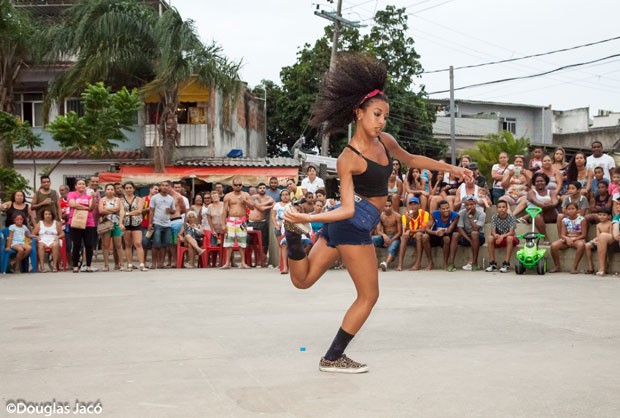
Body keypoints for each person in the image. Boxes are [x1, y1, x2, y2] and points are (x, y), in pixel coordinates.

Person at [282, 53, 471, 373]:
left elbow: (412, 159)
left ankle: (292, 235)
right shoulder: (348, 158)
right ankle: (333, 357)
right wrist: (307, 217)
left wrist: (451, 167)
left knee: (303, 281)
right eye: (376, 114)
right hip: (352, 227)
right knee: (369, 296)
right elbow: (346, 208)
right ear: (359, 113)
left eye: (385, 115)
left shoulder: (385, 141)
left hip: (343, 227)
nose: (382, 121)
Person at [221, 177, 255, 269]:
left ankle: (243, 263)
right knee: (228, 242)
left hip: (242, 220)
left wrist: (245, 201)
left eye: (239, 185)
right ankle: (227, 263)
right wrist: (223, 224)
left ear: (242, 185)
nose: (238, 187)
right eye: (236, 185)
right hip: (231, 220)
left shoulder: (246, 195)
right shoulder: (228, 196)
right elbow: (224, 211)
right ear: (232, 186)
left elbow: (252, 207)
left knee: (242, 241)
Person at [550, 202, 587, 273]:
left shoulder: (582, 219)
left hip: (578, 238)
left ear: (578, 210)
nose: (571, 210)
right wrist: (567, 239)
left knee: (581, 245)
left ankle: (574, 267)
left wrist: (574, 239)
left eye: (573, 209)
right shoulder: (564, 220)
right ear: (566, 211)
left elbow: (584, 234)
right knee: (553, 246)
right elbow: (562, 234)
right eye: (569, 209)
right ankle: (557, 266)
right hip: (567, 238)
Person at [68, 179, 96, 273]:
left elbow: (92, 208)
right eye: (79, 184)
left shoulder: (89, 196)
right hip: (75, 221)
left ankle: (88, 265)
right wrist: (85, 208)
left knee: (89, 244)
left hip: (89, 222)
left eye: (83, 184)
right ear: (76, 186)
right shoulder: (72, 194)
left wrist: (93, 198)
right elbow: (72, 204)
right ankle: (75, 266)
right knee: (77, 244)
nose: (81, 185)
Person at [424, 199, 460, 272]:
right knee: (425, 237)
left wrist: (442, 230)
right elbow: (427, 229)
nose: (446, 210)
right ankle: (430, 262)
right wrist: (436, 233)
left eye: (447, 208)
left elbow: (449, 230)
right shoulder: (434, 214)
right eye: (443, 209)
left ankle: (445, 262)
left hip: (446, 235)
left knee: (446, 239)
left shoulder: (455, 216)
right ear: (439, 209)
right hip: (436, 234)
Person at [396, 196, 430, 271]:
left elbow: (424, 229)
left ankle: (418, 263)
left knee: (419, 234)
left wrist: (411, 231)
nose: (413, 206)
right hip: (411, 237)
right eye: (411, 204)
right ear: (408, 206)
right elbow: (406, 231)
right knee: (404, 237)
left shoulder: (425, 214)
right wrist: (408, 223)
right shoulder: (405, 216)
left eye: (415, 204)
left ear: (419, 205)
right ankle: (400, 264)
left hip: (420, 237)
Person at [524, 172, 559, 244]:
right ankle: (545, 238)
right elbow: (536, 202)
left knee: (546, 207)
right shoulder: (531, 192)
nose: (540, 183)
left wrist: (549, 204)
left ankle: (525, 217)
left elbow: (555, 202)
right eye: (537, 181)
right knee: (537, 215)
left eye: (542, 181)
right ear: (534, 183)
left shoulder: (551, 192)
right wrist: (548, 203)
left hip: (549, 215)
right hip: (535, 216)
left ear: (546, 182)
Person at [148, 181, 176, 270]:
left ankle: (161, 263)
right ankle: (153, 263)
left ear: (169, 188)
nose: (164, 187)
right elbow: (151, 211)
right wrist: (150, 223)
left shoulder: (171, 199)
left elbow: (174, 211)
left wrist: (170, 211)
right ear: (160, 187)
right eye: (163, 185)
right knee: (156, 244)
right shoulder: (155, 198)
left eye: (166, 186)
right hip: (157, 223)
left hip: (167, 224)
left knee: (165, 244)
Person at [99, 184, 126, 272]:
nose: (110, 190)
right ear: (105, 190)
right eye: (108, 189)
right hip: (106, 223)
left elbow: (121, 210)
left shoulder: (118, 200)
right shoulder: (102, 200)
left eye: (111, 189)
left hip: (116, 223)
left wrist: (121, 222)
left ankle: (121, 264)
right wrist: (115, 209)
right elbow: (101, 210)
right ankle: (106, 265)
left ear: (114, 191)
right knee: (105, 245)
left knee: (118, 245)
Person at [485, 200, 518, 273]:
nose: (501, 209)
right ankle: (492, 263)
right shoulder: (494, 217)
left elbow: (511, 232)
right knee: (490, 238)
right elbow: (493, 232)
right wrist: (496, 235)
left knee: (509, 238)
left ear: (506, 208)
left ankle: (506, 264)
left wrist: (502, 236)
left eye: (503, 207)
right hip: (499, 238)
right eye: (499, 207)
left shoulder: (511, 217)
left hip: (510, 238)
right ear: (496, 209)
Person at [248, 182, 275, 267]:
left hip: (263, 222)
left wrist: (268, 204)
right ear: (257, 190)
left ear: (266, 189)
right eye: (260, 188)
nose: (262, 189)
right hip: (252, 223)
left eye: (264, 188)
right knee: (250, 242)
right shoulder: (254, 197)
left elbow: (274, 204)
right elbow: (260, 208)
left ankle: (262, 260)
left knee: (264, 243)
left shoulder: (269, 197)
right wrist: (268, 204)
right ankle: (250, 261)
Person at [456, 195, 486, 271]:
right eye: (467, 205)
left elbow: (476, 229)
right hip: (466, 236)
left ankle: (474, 263)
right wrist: (469, 240)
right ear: (464, 206)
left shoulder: (481, 214)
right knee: (454, 235)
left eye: (472, 204)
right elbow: (460, 228)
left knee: (474, 233)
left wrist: (470, 217)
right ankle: (451, 263)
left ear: (475, 204)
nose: (469, 206)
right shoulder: (461, 213)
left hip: (478, 237)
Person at [371, 198, 402, 272]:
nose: (388, 208)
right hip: (384, 236)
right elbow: (378, 231)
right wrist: (384, 236)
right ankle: (373, 262)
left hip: (395, 237)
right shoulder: (380, 216)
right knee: (371, 239)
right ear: (383, 206)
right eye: (386, 206)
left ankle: (386, 264)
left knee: (393, 247)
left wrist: (391, 240)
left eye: (389, 206)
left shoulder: (397, 216)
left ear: (392, 206)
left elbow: (400, 232)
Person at [122, 181, 147, 272]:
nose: (128, 189)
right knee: (128, 245)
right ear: (124, 190)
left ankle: (141, 264)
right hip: (126, 224)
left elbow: (139, 211)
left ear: (134, 189)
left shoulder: (139, 199)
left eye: (130, 188)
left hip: (136, 223)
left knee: (138, 243)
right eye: (127, 188)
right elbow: (120, 212)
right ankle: (129, 264)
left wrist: (127, 213)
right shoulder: (121, 200)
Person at [584, 208, 612, 275]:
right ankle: (590, 266)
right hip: (599, 240)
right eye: (600, 215)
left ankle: (605, 266)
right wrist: (595, 240)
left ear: (608, 216)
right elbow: (598, 235)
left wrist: (600, 240)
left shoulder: (610, 223)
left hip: (608, 241)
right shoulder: (598, 225)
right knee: (587, 245)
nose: (601, 216)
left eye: (604, 215)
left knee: (601, 244)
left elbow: (611, 234)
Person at [271, 189, 291, 274]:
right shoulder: (277, 205)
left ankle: (288, 265)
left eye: (287, 194)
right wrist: (276, 225)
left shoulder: (291, 205)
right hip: (279, 227)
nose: (285, 196)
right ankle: (281, 264)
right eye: (283, 195)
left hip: (288, 227)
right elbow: (273, 216)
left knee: (288, 245)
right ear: (280, 196)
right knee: (281, 245)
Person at [141, 184, 158, 268]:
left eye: (158, 190)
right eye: (155, 189)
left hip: (156, 224)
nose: (156, 191)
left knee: (155, 244)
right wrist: (148, 209)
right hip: (145, 224)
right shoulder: (144, 199)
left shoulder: (158, 199)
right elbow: (139, 211)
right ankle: (143, 262)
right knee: (145, 243)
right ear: (150, 189)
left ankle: (154, 263)